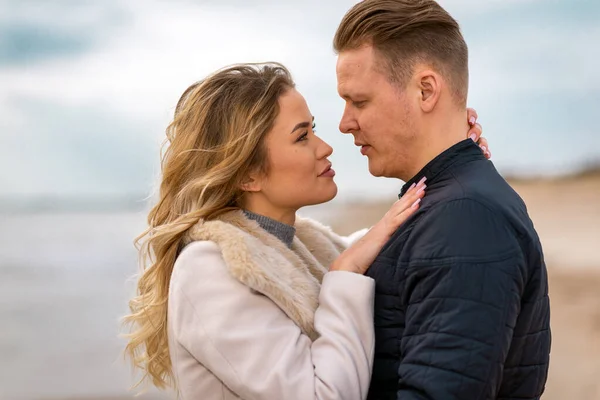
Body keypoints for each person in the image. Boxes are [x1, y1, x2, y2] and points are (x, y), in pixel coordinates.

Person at [123, 63, 487, 399]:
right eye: (302, 137)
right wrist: (345, 274)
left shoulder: (302, 244)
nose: (325, 147)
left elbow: (384, 245)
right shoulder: (211, 269)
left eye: (314, 130)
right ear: (248, 174)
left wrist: (451, 161)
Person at [333, 1, 551, 399]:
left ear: (426, 90)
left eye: (359, 102)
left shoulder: (465, 217)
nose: (345, 123)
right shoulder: (451, 204)